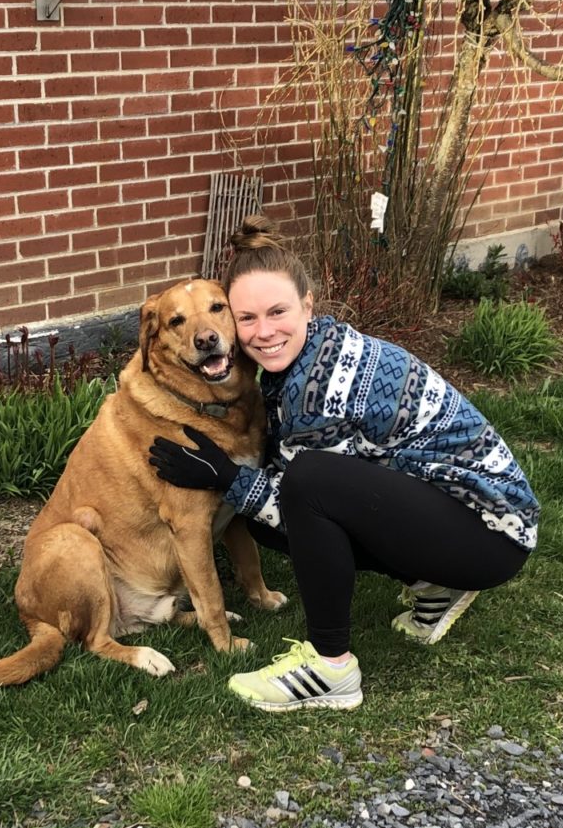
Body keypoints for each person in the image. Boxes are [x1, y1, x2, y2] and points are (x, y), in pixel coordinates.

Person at [149, 215, 539, 713]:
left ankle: (330, 667)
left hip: (491, 531)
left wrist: (222, 477)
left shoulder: (320, 388)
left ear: (308, 305)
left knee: (306, 482)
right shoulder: (307, 351)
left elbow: (303, 502)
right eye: (247, 319)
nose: (263, 332)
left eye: (277, 312)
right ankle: (435, 586)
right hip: (460, 511)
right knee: (272, 502)